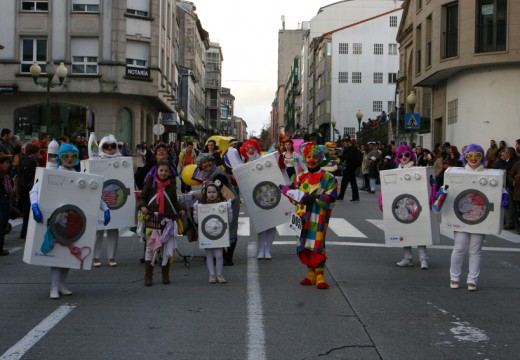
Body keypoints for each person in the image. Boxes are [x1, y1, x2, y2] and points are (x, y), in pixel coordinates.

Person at [30, 144, 110, 298]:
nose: (69, 159)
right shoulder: (52, 173)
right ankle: (53, 286)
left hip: (73, 221)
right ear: (60, 157)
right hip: (56, 220)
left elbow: (93, 195)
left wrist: (105, 209)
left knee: (67, 255)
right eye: (66, 156)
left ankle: (61, 284)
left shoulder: (79, 176)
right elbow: (35, 190)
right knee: (56, 254)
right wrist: (34, 205)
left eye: (73, 156)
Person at [448, 144, 504, 291]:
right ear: (465, 157)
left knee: (475, 249)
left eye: (477, 155)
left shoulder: (489, 174)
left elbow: (498, 189)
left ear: (482, 157)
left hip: (480, 215)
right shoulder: (457, 172)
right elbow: (449, 189)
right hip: (461, 215)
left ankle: (472, 279)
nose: (473, 159)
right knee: (459, 247)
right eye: (470, 156)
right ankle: (454, 276)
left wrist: (503, 196)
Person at [284, 142, 338, 289]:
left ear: (320, 159)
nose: (311, 159)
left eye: (315, 156)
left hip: (318, 215)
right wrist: (288, 192)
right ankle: (310, 274)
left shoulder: (328, 177)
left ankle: (320, 275)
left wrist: (315, 198)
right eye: (308, 156)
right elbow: (293, 194)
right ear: (305, 158)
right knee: (303, 243)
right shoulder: (300, 177)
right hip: (301, 215)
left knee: (318, 244)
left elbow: (332, 196)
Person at [137, 160, 186, 286]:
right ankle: (148, 277)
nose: (163, 173)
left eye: (166, 171)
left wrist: (181, 208)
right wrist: (142, 206)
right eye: (161, 170)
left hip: (167, 220)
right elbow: (142, 196)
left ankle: (165, 275)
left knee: (166, 248)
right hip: (152, 219)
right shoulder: (151, 182)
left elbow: (174, 201)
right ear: (157, 171)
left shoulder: (171, 185)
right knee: (150, 248)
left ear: (169, 172)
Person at [195, 153, 240, 264]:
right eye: (204, 162)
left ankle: (228, 258)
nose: (207, 164)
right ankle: (220, 255)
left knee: (231, 227)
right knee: (219, 227)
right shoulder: (206, 174)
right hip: (219, 203)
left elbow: (215, 190)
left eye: (209, 161)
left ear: (214, 161)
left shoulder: (218, 174)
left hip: (230, 202)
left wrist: (200, 196)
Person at [239, 139, 279, 260]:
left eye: (252, 147)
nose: (250, 150)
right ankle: (261, 249)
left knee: (272, 224)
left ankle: (268, 250)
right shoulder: (244, 165)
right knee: (261, 224)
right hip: (256, 197)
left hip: (270, 193)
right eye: (247, 148)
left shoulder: (265, 160)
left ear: (257, 148)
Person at [393, 145, 429, 269]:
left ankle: (423, 258)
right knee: (405, 232)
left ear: (411, 155)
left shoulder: (417, 169)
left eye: (406, 154)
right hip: (401, 206)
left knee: (419, 232)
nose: (403, 157)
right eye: (400, 155)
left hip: (415, 205)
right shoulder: (396, 171)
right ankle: (407, 257)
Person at [193, 181, 232, 283]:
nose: (211, 194)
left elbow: (229, 220)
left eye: (214, 192)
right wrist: (195, 211)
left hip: (219, 234)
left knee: (219, 255)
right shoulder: (202, 205)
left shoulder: (222, 205)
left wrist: (229, 209)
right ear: (206, 194)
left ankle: (219, 274)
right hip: (207, 234)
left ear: (218, 193)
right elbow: (197, 221)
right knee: (209, 255)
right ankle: (212, 275)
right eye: (209, 192)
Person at [92, 135, 121, 267]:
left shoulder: (121, 160)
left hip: (115, 198)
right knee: (98, 229)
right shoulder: (95, 160)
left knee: (113, 229)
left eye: (112, 146)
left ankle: (111, 256)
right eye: (106, 146)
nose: (109, 148)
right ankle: (96, 256)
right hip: (100, 197)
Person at [19, 143, 41, 239]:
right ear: (34, 151)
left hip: (23, 187)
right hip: (30, 187)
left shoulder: (23, 159)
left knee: (26, 211)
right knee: (30, 211)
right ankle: (26, 233)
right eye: (38, 151)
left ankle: (23, 232)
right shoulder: (32, 161)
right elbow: (35, 174)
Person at [337, 137, 360, 202]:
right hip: (348, 168)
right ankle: (341, 196)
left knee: (352, 183)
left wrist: (341, 155)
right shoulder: (347, 149)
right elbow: (344, 158)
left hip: (351, 168)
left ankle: (355, 197)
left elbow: (348, 157)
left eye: (344, 143)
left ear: (348, 142)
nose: (344, 145)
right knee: (344, 182)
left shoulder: (352, 149)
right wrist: (339, 156)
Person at [0, 152, 14, 256]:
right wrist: (14, 189)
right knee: (1, 225)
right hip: (3, 201)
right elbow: (9, 191)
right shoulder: (5, 176)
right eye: (6, 163)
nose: (8, 165)